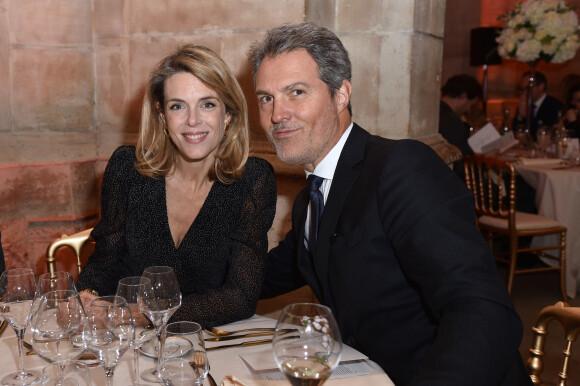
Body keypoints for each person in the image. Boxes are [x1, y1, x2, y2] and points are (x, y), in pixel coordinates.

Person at [247, 22, 531, 386]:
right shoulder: (310, 200)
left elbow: (484, 311)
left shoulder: (399, 167)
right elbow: (261, 276)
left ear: (341, 94)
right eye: (266, 98)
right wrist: (172, 283)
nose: (276, 115)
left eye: (296, 92)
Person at [76, 45, 277, 327]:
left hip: (206, 348)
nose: (192, 120)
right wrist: (86, 294)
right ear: (162, 116)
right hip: (129, 347)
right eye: (178, 106)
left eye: (208, 104)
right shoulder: (126, 169)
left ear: (228, 114)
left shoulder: (252, 181)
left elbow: (240, 297)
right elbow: (103, 261)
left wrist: (141, 315)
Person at [438, 74, 482, 178]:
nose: (468, 110)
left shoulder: (436, 110)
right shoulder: (453, 122)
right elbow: (460, 166)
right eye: (470, 104)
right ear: (463, 96)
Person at [513, 70, 563, 139]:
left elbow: (541, 133)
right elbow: (513, 133)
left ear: (541, 86)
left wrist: (527, 116)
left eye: (528, 88)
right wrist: (520, 117)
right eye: (522, 89)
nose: (524, 92)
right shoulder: (524, 103)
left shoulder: (554, 105)